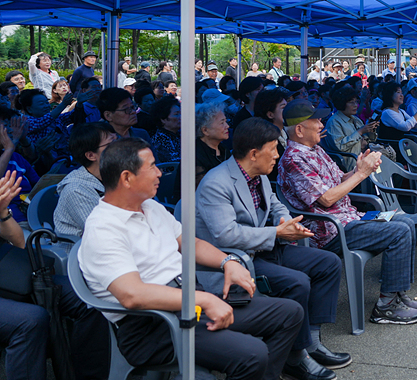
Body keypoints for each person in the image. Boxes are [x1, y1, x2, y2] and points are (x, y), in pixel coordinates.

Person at [79, 138, 306, 380]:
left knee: (289, 313)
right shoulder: (103, 228)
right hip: (153, 326)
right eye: (153, 166)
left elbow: (191, 243)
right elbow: (132, 295)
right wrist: (204, 299)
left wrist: (228, 261)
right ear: (126, 178)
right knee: (253, 353)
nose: (160, 173)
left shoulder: (150, 207)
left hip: (190, 304)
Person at [195, 116, 350, 378]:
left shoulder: (258, 173)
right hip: (237, 260)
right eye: (273, 149)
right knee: (297, 282)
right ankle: (295, 356)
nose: (278, 155)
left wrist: (288, 223)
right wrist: (276, 232)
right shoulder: (216, 183)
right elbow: (226, 234)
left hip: (264, 249)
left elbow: (276, 204)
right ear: (254, 153)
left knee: (328, 263)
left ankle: (310, 340)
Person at [277, 106, 417, 325]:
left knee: (405, 222)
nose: (321, 125)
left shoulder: (315, 150)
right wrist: (362, 174)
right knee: (399, 231)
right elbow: (326, 199)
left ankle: (396, 293)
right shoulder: (294, 160)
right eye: (316, 121)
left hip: (348, 219)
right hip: (329, 232)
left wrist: (358, 169)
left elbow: (340, 180)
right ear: (299, 129)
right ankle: (385, 308)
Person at [2, 169, 111, 380]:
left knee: (90, 295)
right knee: (31, 319)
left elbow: (18, 241)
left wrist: (3, 213)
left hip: (8, 275)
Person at [53, 122, 116, 238]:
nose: (121, 148)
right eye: (111, 144)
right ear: (91, 155)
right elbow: (104, 234)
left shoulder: (117, 174)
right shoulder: (75, 190)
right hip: (82, 252)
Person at [323, 86, 377, 159]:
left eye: (356, 102)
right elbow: (340, 146)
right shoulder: (334, 122)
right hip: (351, 161)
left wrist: (371, 129)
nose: (355, 105)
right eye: (352, 102)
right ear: (342, 103)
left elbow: (370, 140)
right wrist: (360, 131)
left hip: (364, 156)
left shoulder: (355, 119)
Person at [149, 96, 182, 164]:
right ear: (163, 119)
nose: (181, 117)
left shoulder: (180, 134)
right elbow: (173, 165)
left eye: (180, 113)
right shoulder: (160, 140)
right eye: (176, 114)